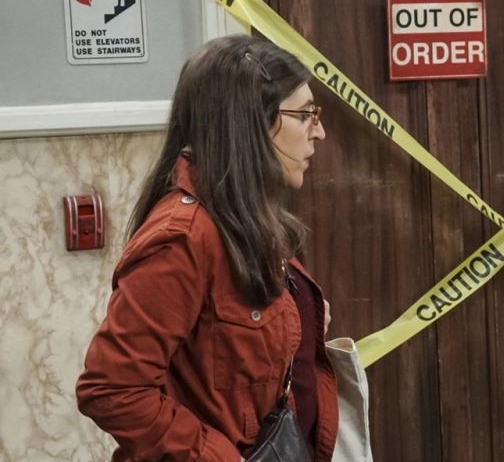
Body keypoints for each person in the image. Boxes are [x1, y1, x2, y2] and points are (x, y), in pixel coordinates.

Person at [78, 35, 339, 461]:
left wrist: (298, 324)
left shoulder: (249, 219)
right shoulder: (182, 238)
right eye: (305, 115)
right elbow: (112, 389)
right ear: (250, 123)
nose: (319, 132)